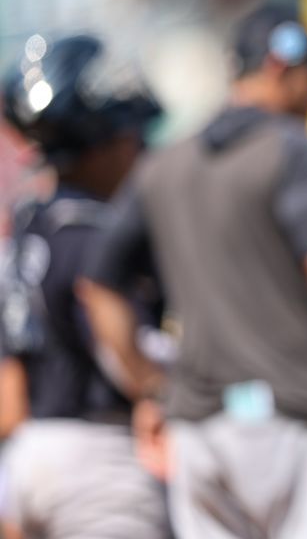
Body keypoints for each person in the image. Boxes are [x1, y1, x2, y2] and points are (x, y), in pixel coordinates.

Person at [81, 4, 307, 539]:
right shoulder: (293, 149)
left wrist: (148, 386)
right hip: (294, 417)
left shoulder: (162, 163)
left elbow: (97, 286)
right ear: (282, 65)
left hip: (199, 428)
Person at [0, 33, 171, 538]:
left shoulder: (30, 223)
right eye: (126, 135)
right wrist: (158, 386)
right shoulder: (91, 231)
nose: (136, 148)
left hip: (30, 453)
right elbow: (116, 343)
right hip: (100, 458)